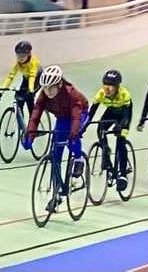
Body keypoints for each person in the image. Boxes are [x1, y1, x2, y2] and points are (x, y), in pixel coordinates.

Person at [22, 65, 89, 212]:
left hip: (79, 113)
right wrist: (31, 132)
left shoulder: (72, 94)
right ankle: (57, 194)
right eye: (45, 88)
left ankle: (78, 158)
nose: (48, 91)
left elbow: (77, 117)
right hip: (62, 117)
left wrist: (73, 133)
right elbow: (36, 112)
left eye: (51, 88)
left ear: (59, 84)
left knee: (72, 137)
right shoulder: (44, 94)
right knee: (55, 158)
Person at [86, 69, 133, 192]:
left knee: (121, 140)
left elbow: (127, 116)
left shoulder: (124, 94)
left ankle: (122, 174)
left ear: (117, 87)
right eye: (105, 85)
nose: (107, 89)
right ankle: (107, 157)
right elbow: (90, 114)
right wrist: (83, 127)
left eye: (111, 86)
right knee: (100, 128)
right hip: (111, 112)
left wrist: (122, 126)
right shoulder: (100, 94)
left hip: (123, 115)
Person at [0, 40, 41, 124]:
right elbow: (10, 77)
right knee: (19, 99)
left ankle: (33, 125)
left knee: (29, 98)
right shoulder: (18, 64)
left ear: (29, 54)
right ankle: (22, 127)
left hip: (37, 78)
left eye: (23, 55)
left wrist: (30, 90)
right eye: (18, 55)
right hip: (27, 78)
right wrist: (1, 92)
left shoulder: (33, 62)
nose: (20, 58)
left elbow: (32, 76)